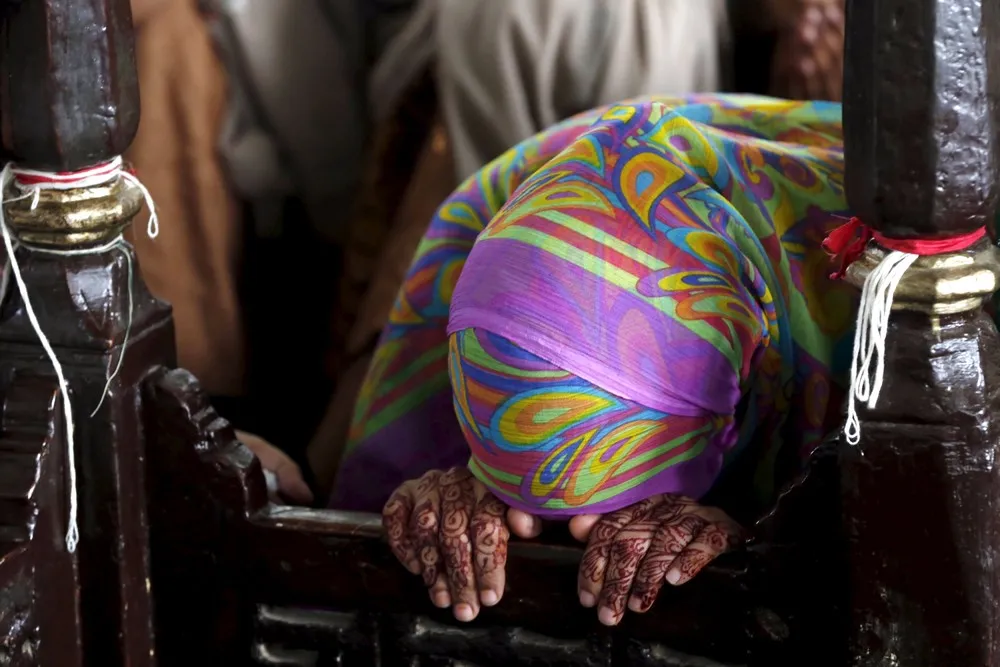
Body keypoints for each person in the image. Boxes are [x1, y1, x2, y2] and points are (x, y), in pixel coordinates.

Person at [329, 94, 857, 625]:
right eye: (522, 510)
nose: (579, 537)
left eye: (609, 512)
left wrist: (763, 532)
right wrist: (461, 482)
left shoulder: (876, 313)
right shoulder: (486, 237)